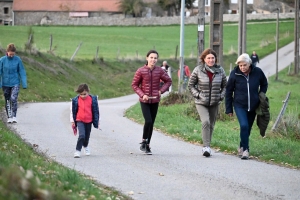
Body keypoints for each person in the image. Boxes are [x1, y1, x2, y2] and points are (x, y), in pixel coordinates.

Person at [225, 53, 268, 160]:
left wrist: (261, 94)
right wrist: (229, 108)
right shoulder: (234, 74)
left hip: (253, 105)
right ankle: (245, 150)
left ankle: (241, 146)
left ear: (249, 64)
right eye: (240, 65)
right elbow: (229, 91)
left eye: (244, 65)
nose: (242, 68)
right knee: (244, 125)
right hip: (239, 105)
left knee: (247, 128)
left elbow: (264, 83)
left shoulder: (257, 72)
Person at [188, 48, 227, 157]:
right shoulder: (198, 70)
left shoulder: (220, 70)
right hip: (201, 102)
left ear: (215, 59)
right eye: (208, 58)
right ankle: (206, 147)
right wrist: (198, 95)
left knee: (212, 125)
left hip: (215, 101)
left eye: (213, 58)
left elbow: (225, 86)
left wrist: (221, 96)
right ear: (204, 59)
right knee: (206, 122)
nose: (211, 60)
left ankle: (207, 146)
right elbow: (190, 85)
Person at [131, 50, 172, 155]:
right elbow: (134, 85)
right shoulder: (141, 71)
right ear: (147, 58)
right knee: (148, 121)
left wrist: (161, 91)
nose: (153, 60)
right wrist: (142, 94)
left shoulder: (159, 71)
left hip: (155, 100)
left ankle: (148, 145)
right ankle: (143, 142)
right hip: (144, 100)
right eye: (151, 57)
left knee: (152, 123)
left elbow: (168, 81)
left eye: (155, 58)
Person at [70, 83, 100, 158]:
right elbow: (72, 111)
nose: (83, 96)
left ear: (88, 91)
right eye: (81, 94)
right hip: (79, 120)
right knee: (82, 135)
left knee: (86, 136)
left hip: (89, 120)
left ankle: (86, 146)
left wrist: (97, 121)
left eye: (84, 94)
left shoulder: (92, 99)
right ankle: (77, 151)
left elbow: (96, 111)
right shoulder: (75, 100)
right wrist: (72, 120)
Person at [0, 43, 27, 123]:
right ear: (7, 52)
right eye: (10, 54)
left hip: (15, 82)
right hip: (5, 83)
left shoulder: (18, 60)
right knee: (7, 100)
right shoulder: (2, 60)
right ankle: (9, 117)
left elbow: (21, 71)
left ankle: (14, 116)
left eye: (13, 54)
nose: (11, 56)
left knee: (13, 98)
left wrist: (24, 83)